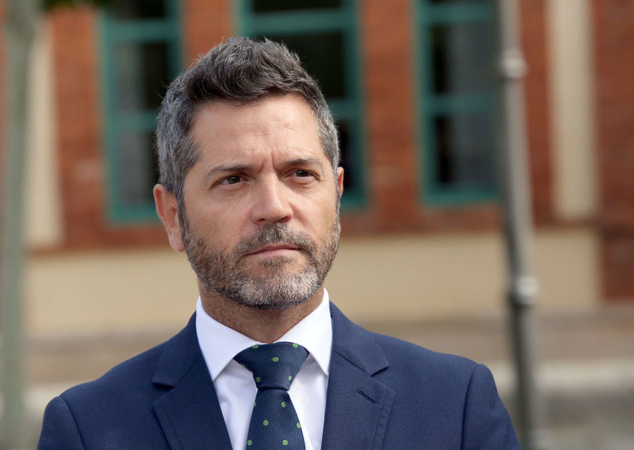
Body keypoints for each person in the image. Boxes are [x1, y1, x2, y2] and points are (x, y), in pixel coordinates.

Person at [38, 37, 520, 449]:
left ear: (336, 193)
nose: (274, 207)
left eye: (300, 174)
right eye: (233, 179)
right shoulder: (89, 428)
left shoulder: (455, 405)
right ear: (173, 216)